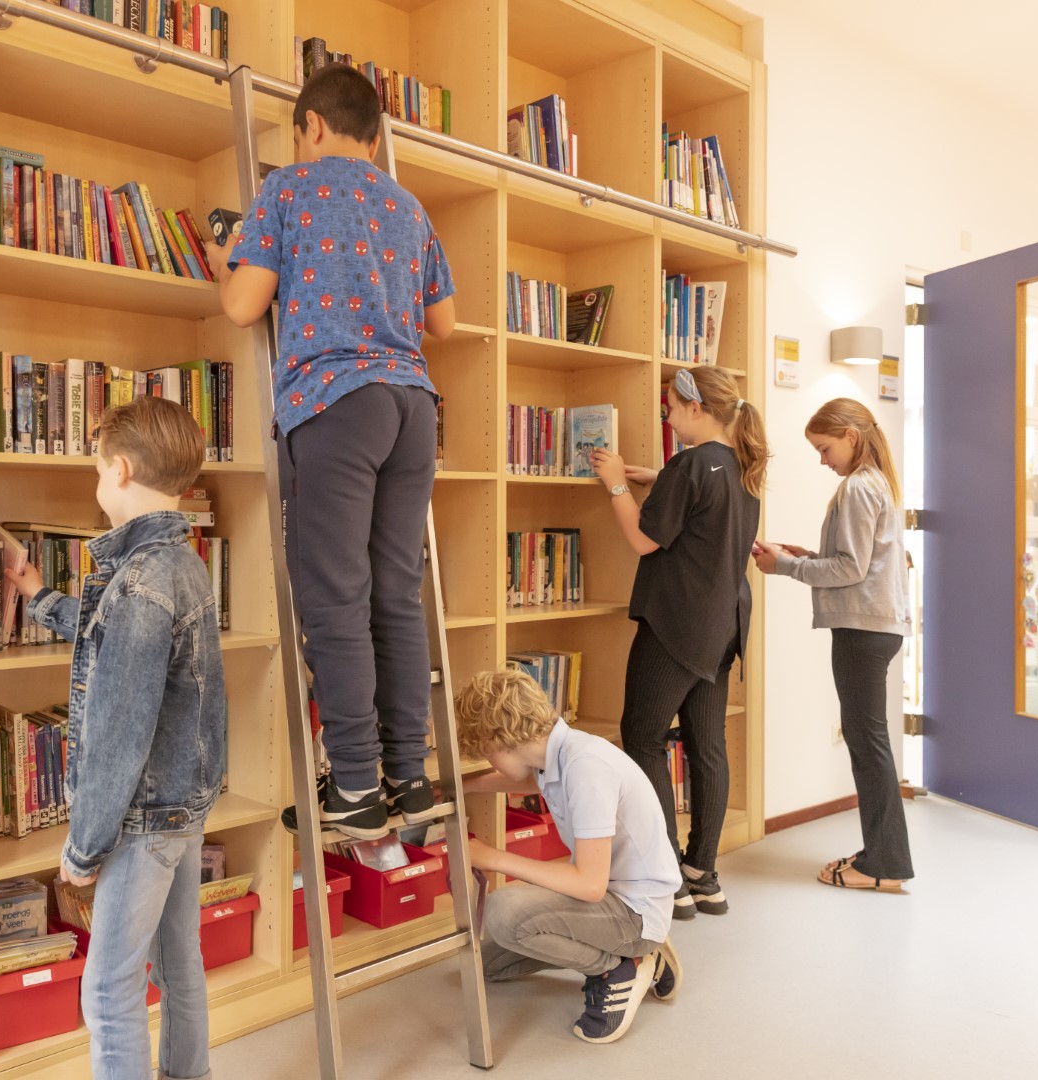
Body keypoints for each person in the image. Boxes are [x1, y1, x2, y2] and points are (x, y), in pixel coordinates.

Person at [204, 63, 457, 840]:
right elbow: (443, 322)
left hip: (337, 404)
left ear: (311, 125)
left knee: (333, 598)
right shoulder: (408, 205)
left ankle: (352, 784)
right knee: (393, 594)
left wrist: (224, 259)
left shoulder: (287, 192)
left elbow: (246, 306)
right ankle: (407, 779)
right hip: (413, 408)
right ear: (377, 138)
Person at [3, 396, 226, 1080]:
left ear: (121, 469)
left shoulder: (138, 582)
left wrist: (83, 848)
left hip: (141, 819)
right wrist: (41, 596)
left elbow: (118, 736)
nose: (96, 484)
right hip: (185, 806)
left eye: (97, 471)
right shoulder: (179, 561)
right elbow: (114, 640)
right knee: (179, 964)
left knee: (109, 991)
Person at [590, 366, 766, 919]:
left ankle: (666, 875)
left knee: (642, 738)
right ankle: (702, 874)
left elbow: (644, 539)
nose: (666, 416)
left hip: (677, 625)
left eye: (670, 407)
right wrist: (658, 478)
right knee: (707, 747)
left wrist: (617, 483)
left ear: (694, 406)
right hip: (723, 627)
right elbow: (699, 515)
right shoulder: (740, 466)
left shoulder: (691, 465)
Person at [455, 670, 683, 1045]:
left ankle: (623, 965)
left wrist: (492, 858)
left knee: (504, 912)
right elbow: (531, 781)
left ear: (499, 738)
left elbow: (589, 886)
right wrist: (464, 787)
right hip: (611, 897)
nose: (489, 763)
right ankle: (634, 954)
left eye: (485, 753)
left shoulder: (587, 768)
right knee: (491, 965)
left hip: (632, 911)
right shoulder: (559, 755)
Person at [753, 397, 914, 893]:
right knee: (870, 745)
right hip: (872, 627)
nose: (823, 459)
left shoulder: (859, 487)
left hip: (863, 630)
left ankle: (883, 865)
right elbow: (853, 559)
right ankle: (880, 855)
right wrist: (809, 555)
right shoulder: (873, 484)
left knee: (868, 747)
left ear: (850, 436)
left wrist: (784, 566)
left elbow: (851, 569)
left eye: (825, 448)